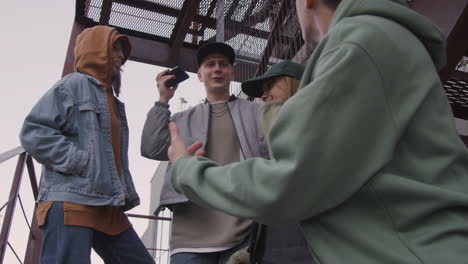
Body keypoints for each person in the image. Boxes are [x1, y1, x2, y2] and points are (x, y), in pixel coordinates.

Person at [167, 0, 468, 263]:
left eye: (270, 87)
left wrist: (185, 168)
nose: (263, 97)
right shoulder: (372, 43)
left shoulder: (360, 43)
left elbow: (287, 183)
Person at [19, 25, 154, 264]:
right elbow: (34, 132)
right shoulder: (73, 84)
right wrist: (79, 161)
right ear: (95, 50)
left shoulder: (113, 101)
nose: (121, 56)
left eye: (122, 51)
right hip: (71, 199)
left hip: (106, 203)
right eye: (114, 48)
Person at [141, 42, 268, 263]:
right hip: (190, 236)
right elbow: (151, 147)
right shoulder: (181, 120)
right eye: (210, 65)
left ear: (232, 72)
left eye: (223, 64)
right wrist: (163, 100)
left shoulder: (257, 112)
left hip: (245, 231)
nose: (217, 69)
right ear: (200, 75)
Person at [232, 60, 314, 264]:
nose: (262, 95)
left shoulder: (315, 135)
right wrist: (253, 250)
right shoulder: (274, 144)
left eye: (270, 86)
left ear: (296, 85)